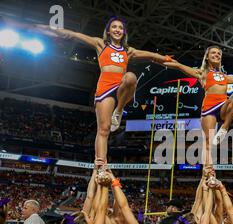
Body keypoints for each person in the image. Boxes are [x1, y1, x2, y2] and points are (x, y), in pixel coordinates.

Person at [22, 17, 173, 166]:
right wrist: (47, 29)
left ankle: (119, 111)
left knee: (131, 77)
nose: (117, 30)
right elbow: (73, 34)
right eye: (114, 27)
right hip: (105, 87)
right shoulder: (100, 44)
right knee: (104, 129)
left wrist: (166, 59)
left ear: (124, 32)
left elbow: (151, 56)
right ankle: (100, 164)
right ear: (108, 30)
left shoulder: (128, 51)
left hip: (121, 86)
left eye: (120, 28)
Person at [164, 46, 233, 167]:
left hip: (223, 106)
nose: (217, 55)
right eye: (213, 53)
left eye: (219, 54)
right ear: (207, 57)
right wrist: (162, 60)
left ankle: (224, 127)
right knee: (208, 142)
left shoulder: (225, 76)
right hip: (209, 108)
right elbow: (179, 66)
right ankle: (208, 171)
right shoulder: (202, 73)